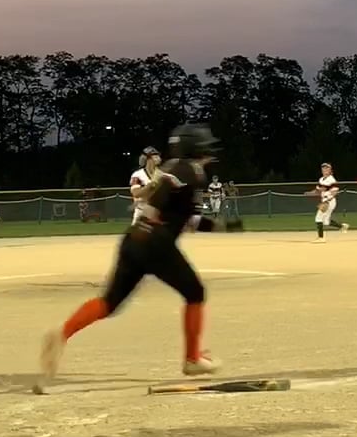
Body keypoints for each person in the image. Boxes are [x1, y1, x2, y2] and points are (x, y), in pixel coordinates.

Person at [37, 124, 237, 393]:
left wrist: (221, 226)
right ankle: (192, 359)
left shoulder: (173, 167)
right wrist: (154, 218)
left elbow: (187, 218)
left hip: (133, 239)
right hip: (156, 242)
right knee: (195, 292)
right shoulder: (190, 170)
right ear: (195, 148)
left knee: (108, 302)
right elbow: (173, 203)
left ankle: (62, 334)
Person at [313, 162, 349, 239]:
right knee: (326, 222)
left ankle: (320, 238)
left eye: (326, 168)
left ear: (330, 170)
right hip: (325, 200)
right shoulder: (321, 179)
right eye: (323, 168)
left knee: (318, 218)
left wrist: (327, 201)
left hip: (329, 201)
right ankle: (342, 226)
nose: (324, 169)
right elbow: (319, 190)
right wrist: (311, 193)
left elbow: (335, 191)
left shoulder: (331, 179)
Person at [128, 146, 160, 226]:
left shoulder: (161, 174)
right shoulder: (137, 175)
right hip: (142, 213)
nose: (158, 158)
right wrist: (150, 185)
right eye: (155, 156)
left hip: (157, 213)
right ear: (148, 159)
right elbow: (136, 193)